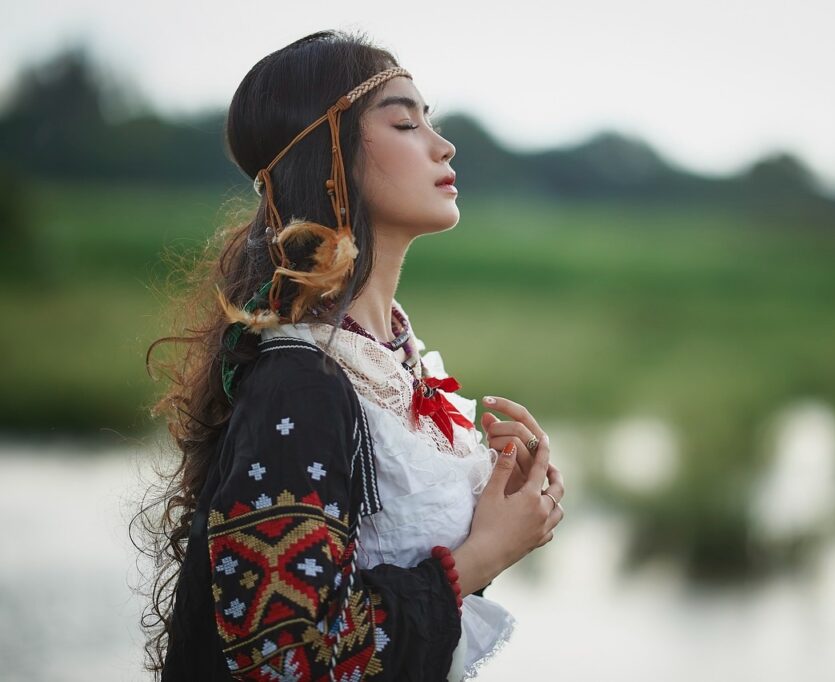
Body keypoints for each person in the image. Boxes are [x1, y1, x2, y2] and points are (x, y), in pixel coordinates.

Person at [139, 29, 566, 681]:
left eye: (432, 122)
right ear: (329, 155)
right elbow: (284, 661)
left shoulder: (393, 360)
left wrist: (501, 508)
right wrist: (481, 556)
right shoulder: (300, 381)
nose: (442, 145)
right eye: (404, 121)